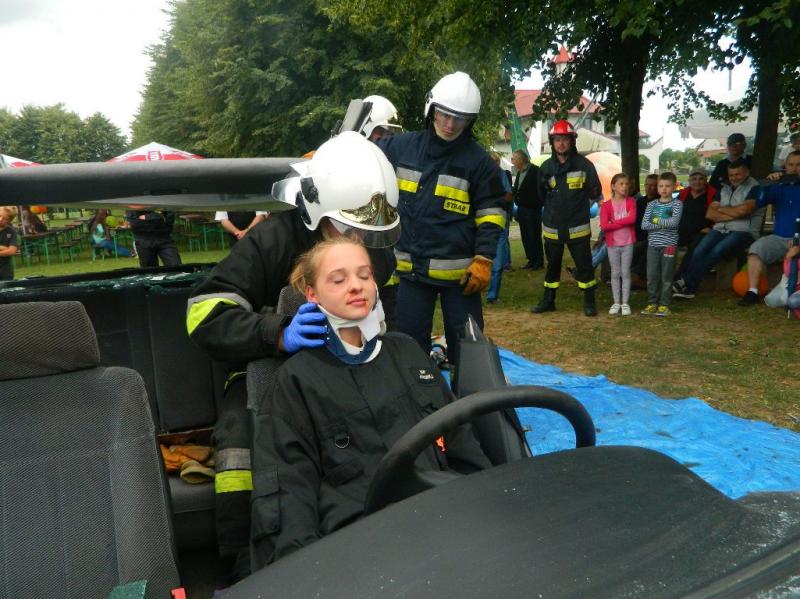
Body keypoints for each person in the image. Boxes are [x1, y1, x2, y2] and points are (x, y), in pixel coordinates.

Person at [186, 131, 400, 583]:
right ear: (319, 210)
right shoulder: (271, 241)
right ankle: (243, 567)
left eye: (368, 231)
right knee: (241, 441)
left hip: (351, 367)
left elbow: (387, 305)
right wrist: (277, 333)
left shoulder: (373, 245)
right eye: (350, 227)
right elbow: (203, 314)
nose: (361, 239)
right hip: (268, 368)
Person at [249, 236, 490, 569]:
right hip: (360, 550)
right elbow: (290, 491)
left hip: (443, 521)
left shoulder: (407, 352)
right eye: (338, 279)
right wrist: (303, 571)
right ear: (312, 294)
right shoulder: (296, 380)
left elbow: (460, 437)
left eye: (364, 275)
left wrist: (486, 503)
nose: (356, 286)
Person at [376, 71, 506, 366]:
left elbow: (492, 214)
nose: (450, 124)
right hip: (411, 274)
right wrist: (331, 155)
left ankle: (469, 395)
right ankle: (420, 394)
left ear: (469, 121)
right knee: (409, 350)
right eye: (445, 114)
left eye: (459, 118)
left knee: (469, 352)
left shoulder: (479, 164)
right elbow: (367, 157)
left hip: (460, 278)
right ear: (432, 109)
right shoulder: (402, 147)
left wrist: (484, 259)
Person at [531, 119, 602, 316]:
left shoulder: (585, 166)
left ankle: (589, 302)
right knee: (552, 267)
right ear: (552, 143)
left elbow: (595, 191)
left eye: (565, 139)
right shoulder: (546, 168)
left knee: (584, 266)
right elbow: (540, 195)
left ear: (572, 141)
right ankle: (548, 301)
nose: (561, 143)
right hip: (553, 227)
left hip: (577, 226)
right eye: (557, 139)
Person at [673, 160, 762, 300]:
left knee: (717, 250)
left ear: (746, 173)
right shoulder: (724, 187)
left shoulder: (755, 187)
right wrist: (735, 212)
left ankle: (685, 283)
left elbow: (745, 211)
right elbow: (710, 214)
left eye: (738, 174)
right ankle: (687, 286)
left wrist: (722, 210)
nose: (734, 178)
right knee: (700, 249)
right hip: (721, 228)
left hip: (743, 230)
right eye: (731, 175)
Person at [738, 150, 800, 306]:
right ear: (785, 166)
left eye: (799, 165)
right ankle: (752, 291)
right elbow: (760, 202)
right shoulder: (780, 186)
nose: (794, 169)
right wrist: (767, 185)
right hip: (779, 238)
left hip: (798, 238)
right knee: (757, 248)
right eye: (791, 165)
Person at [640, 172, 683, 316]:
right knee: (652, 275)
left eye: (667, 186)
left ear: (674, 187)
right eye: (661, 186)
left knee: (667, 276)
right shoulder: (652, 204)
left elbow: (674, 223)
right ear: (658, 187)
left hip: (669, 245)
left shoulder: (677, 204)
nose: (664, 189)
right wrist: (664, 223)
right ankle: (652, 302)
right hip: (653, 245)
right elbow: (644, 225)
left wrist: (655, 220)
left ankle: (664, 304)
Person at [599, 173, 637, 316]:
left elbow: (632, 219)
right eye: (621, 184)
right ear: (613, 186)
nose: (625, 186)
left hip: (627, 243)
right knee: (615, 273)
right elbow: (604, 226)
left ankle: (625, 303)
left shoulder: (631, 201)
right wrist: (622, 222)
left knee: (626, 272)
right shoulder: (606, 205)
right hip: (613, 244)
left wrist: (613, 222)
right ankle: (616, 302)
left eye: (627, 184)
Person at [675, 170, 715, 281]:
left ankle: (680, 279)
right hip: (680, 231)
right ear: (689, 181)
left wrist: (711, 228)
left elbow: (719, 214)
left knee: (695, 247)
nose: (697, 182)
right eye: (694, 179)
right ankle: (641, 274)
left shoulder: (713, 195)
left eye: (701, 179)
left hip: (701, 232)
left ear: (706, 180)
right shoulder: (683, 194)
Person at [487, 151, 513, 303]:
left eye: (495, 162)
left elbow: (509, 196)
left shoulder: (502, 175)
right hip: (480, 222)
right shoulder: (477, 174)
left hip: (498, 220)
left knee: (497, 262)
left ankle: (492, 295)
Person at [510, 148, 543, 270]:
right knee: (525, 235)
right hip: (522, 208)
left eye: (514, 159)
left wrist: (537, 203)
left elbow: (541, 189)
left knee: (534, 235)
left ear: (521, 159)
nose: (512, 161)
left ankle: (538, 262)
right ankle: (531, 259)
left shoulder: (536, 171)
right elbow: (518, 189)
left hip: (533, 209)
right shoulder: (519, 172)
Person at [631, 173, 659, 287]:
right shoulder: (640, 201)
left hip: (651, 236)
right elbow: (635, 221)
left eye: (653, 185)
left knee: (647, 244)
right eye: (647, 185)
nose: (649, 188)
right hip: (638, 234)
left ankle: (639, 276)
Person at [0, 206, 19, 282]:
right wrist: (5, 248)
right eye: (0, 216)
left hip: (5, 271)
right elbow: (9, 250)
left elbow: (12, 251)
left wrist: (9, 250)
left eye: (5, 219)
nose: (1, 219)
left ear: (9, 221)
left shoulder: (12, 232)